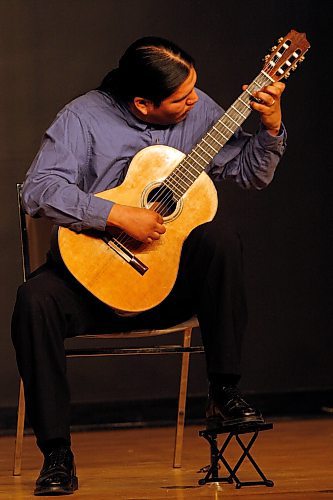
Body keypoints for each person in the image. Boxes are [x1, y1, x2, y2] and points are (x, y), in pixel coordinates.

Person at [12, 36, 286, 496]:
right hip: (92, 284)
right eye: (182, 98)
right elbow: (37, 190)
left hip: (169, 283)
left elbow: (250, 173)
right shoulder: (83, 118)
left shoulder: (198, 112)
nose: (196, 101)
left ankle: (224, 391)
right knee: (33, 301)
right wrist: (116, 214)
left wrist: (271, 127)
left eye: (194, 89)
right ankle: (57, 454)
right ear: (142, 102)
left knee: (220, 237)